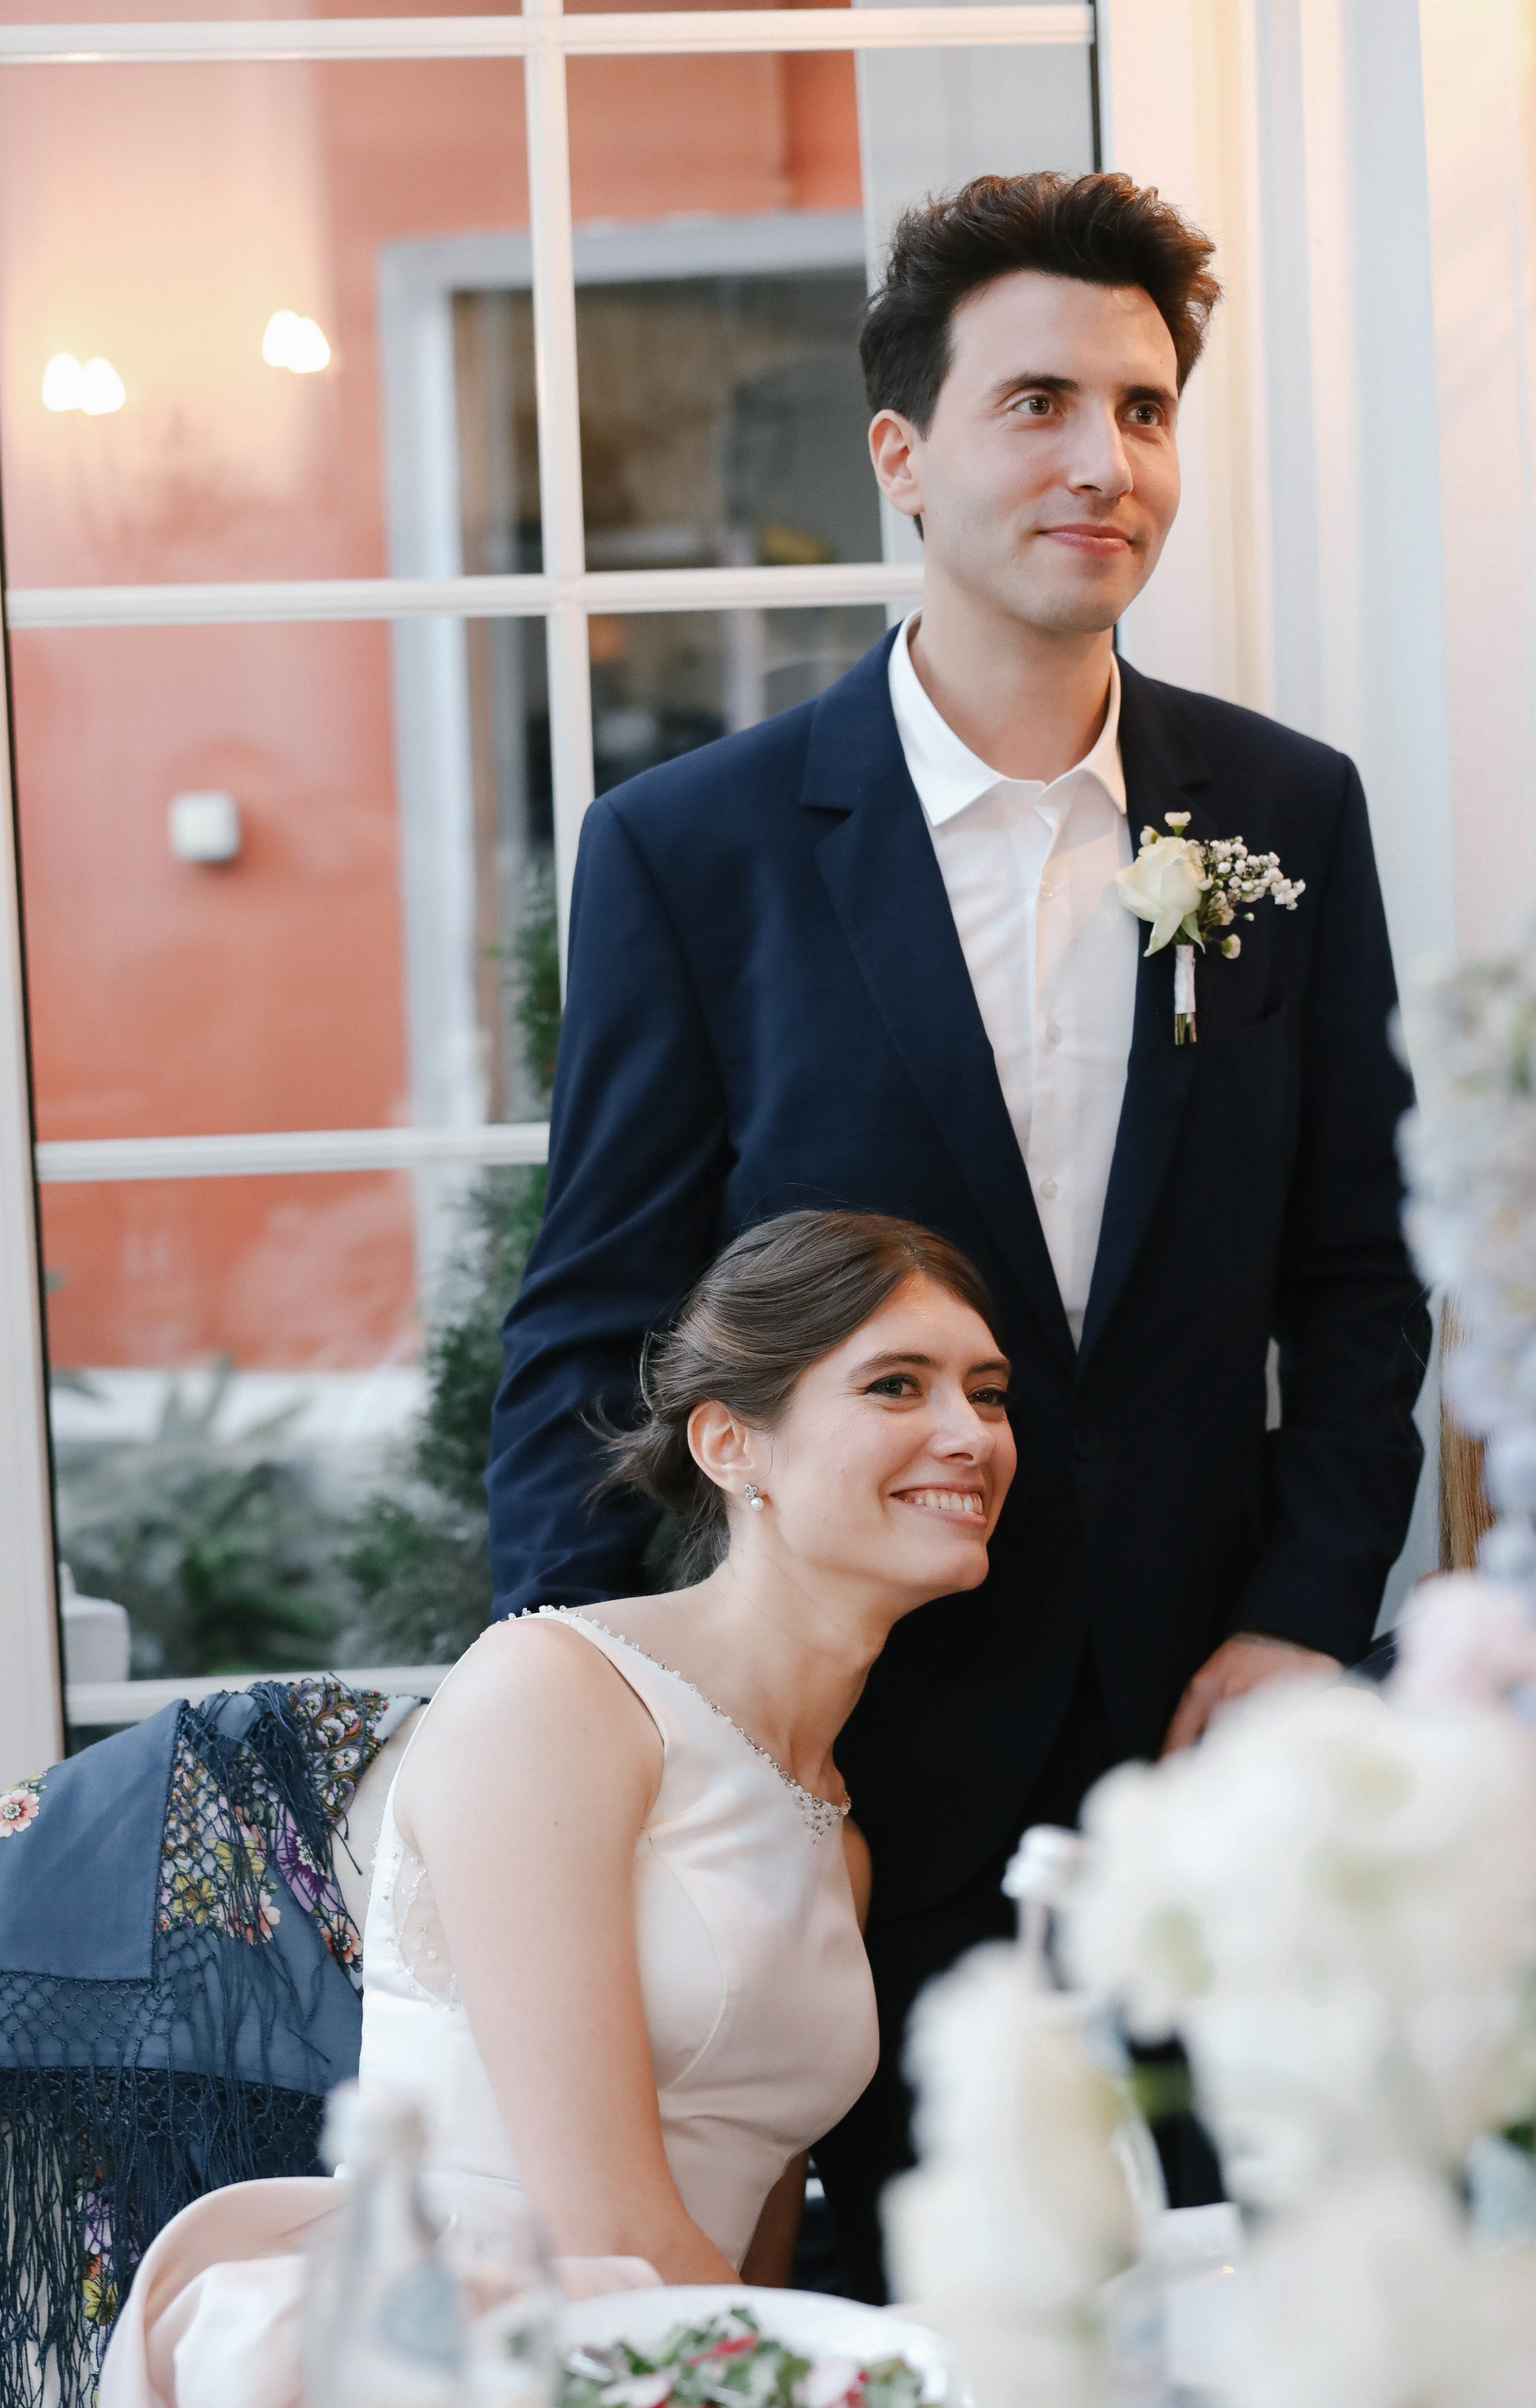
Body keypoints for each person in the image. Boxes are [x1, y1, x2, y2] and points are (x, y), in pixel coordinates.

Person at [484, 170, 1431, 2298]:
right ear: (902, 455)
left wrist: (1301, 1618)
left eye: (1146, 409)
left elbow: (1358, 1281)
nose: (1106, 462)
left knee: (1255, 2306)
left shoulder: (1288, 817)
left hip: (1207, 1767)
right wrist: (598, 1726)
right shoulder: (694, 850)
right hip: (850, 1778)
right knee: (892, 2328)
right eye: (1038, 404)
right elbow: (597, 1321)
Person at [98, 1210, 1017, 2408]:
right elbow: (605, 2224)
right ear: (731, 1444)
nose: (970, 1434)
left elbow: (753, 2254)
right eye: (897, 1385)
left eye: (988, 1393)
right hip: (468, 2348)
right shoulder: (557, 1693)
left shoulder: (836, 1843)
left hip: (686, 2360)